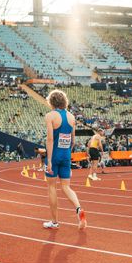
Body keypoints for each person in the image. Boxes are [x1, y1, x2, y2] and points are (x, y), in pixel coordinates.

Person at [43, 89, 86, 230]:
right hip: (66, 155)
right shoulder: (72, 117)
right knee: (66, 187)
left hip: (54, 155)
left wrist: (49, 160)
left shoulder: (50, 116)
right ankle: (79, 209)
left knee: (51, 187)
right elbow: (73, 141)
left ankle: (54, 222)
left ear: (51, 101)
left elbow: (49, 139)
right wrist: (67, 152)